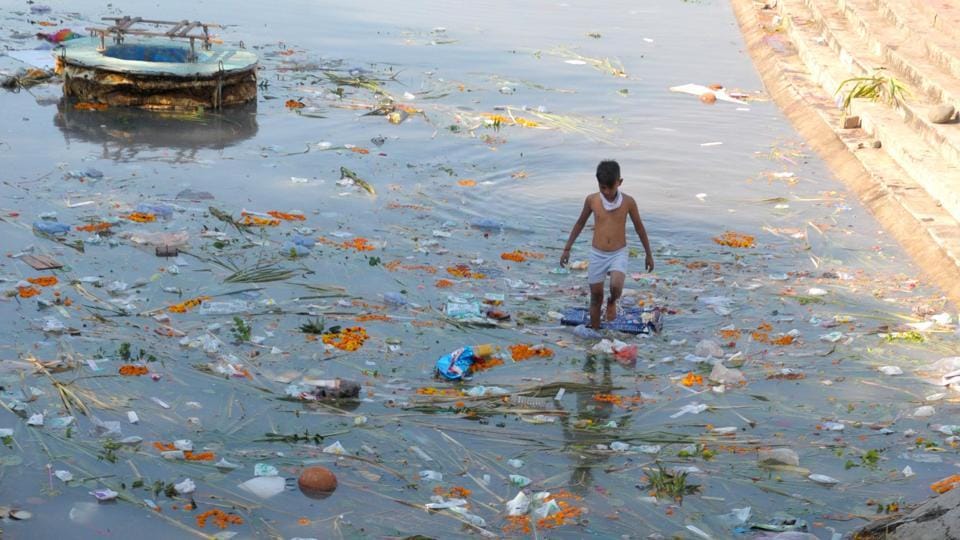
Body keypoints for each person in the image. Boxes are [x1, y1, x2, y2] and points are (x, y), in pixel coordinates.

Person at [560, 160, 653, 330]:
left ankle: (612, 302)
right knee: (596, 296)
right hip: (598, 253)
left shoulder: (628, 202)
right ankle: (595, 333)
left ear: (620, 182)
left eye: (611, 187)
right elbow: (580, 223)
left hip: (618, 252)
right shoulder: (592, 200)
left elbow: (639, 227)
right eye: (603, 188)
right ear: (598, 184)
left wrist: (648, 254)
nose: (607, 192)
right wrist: (567, 249)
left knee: (616, 286)